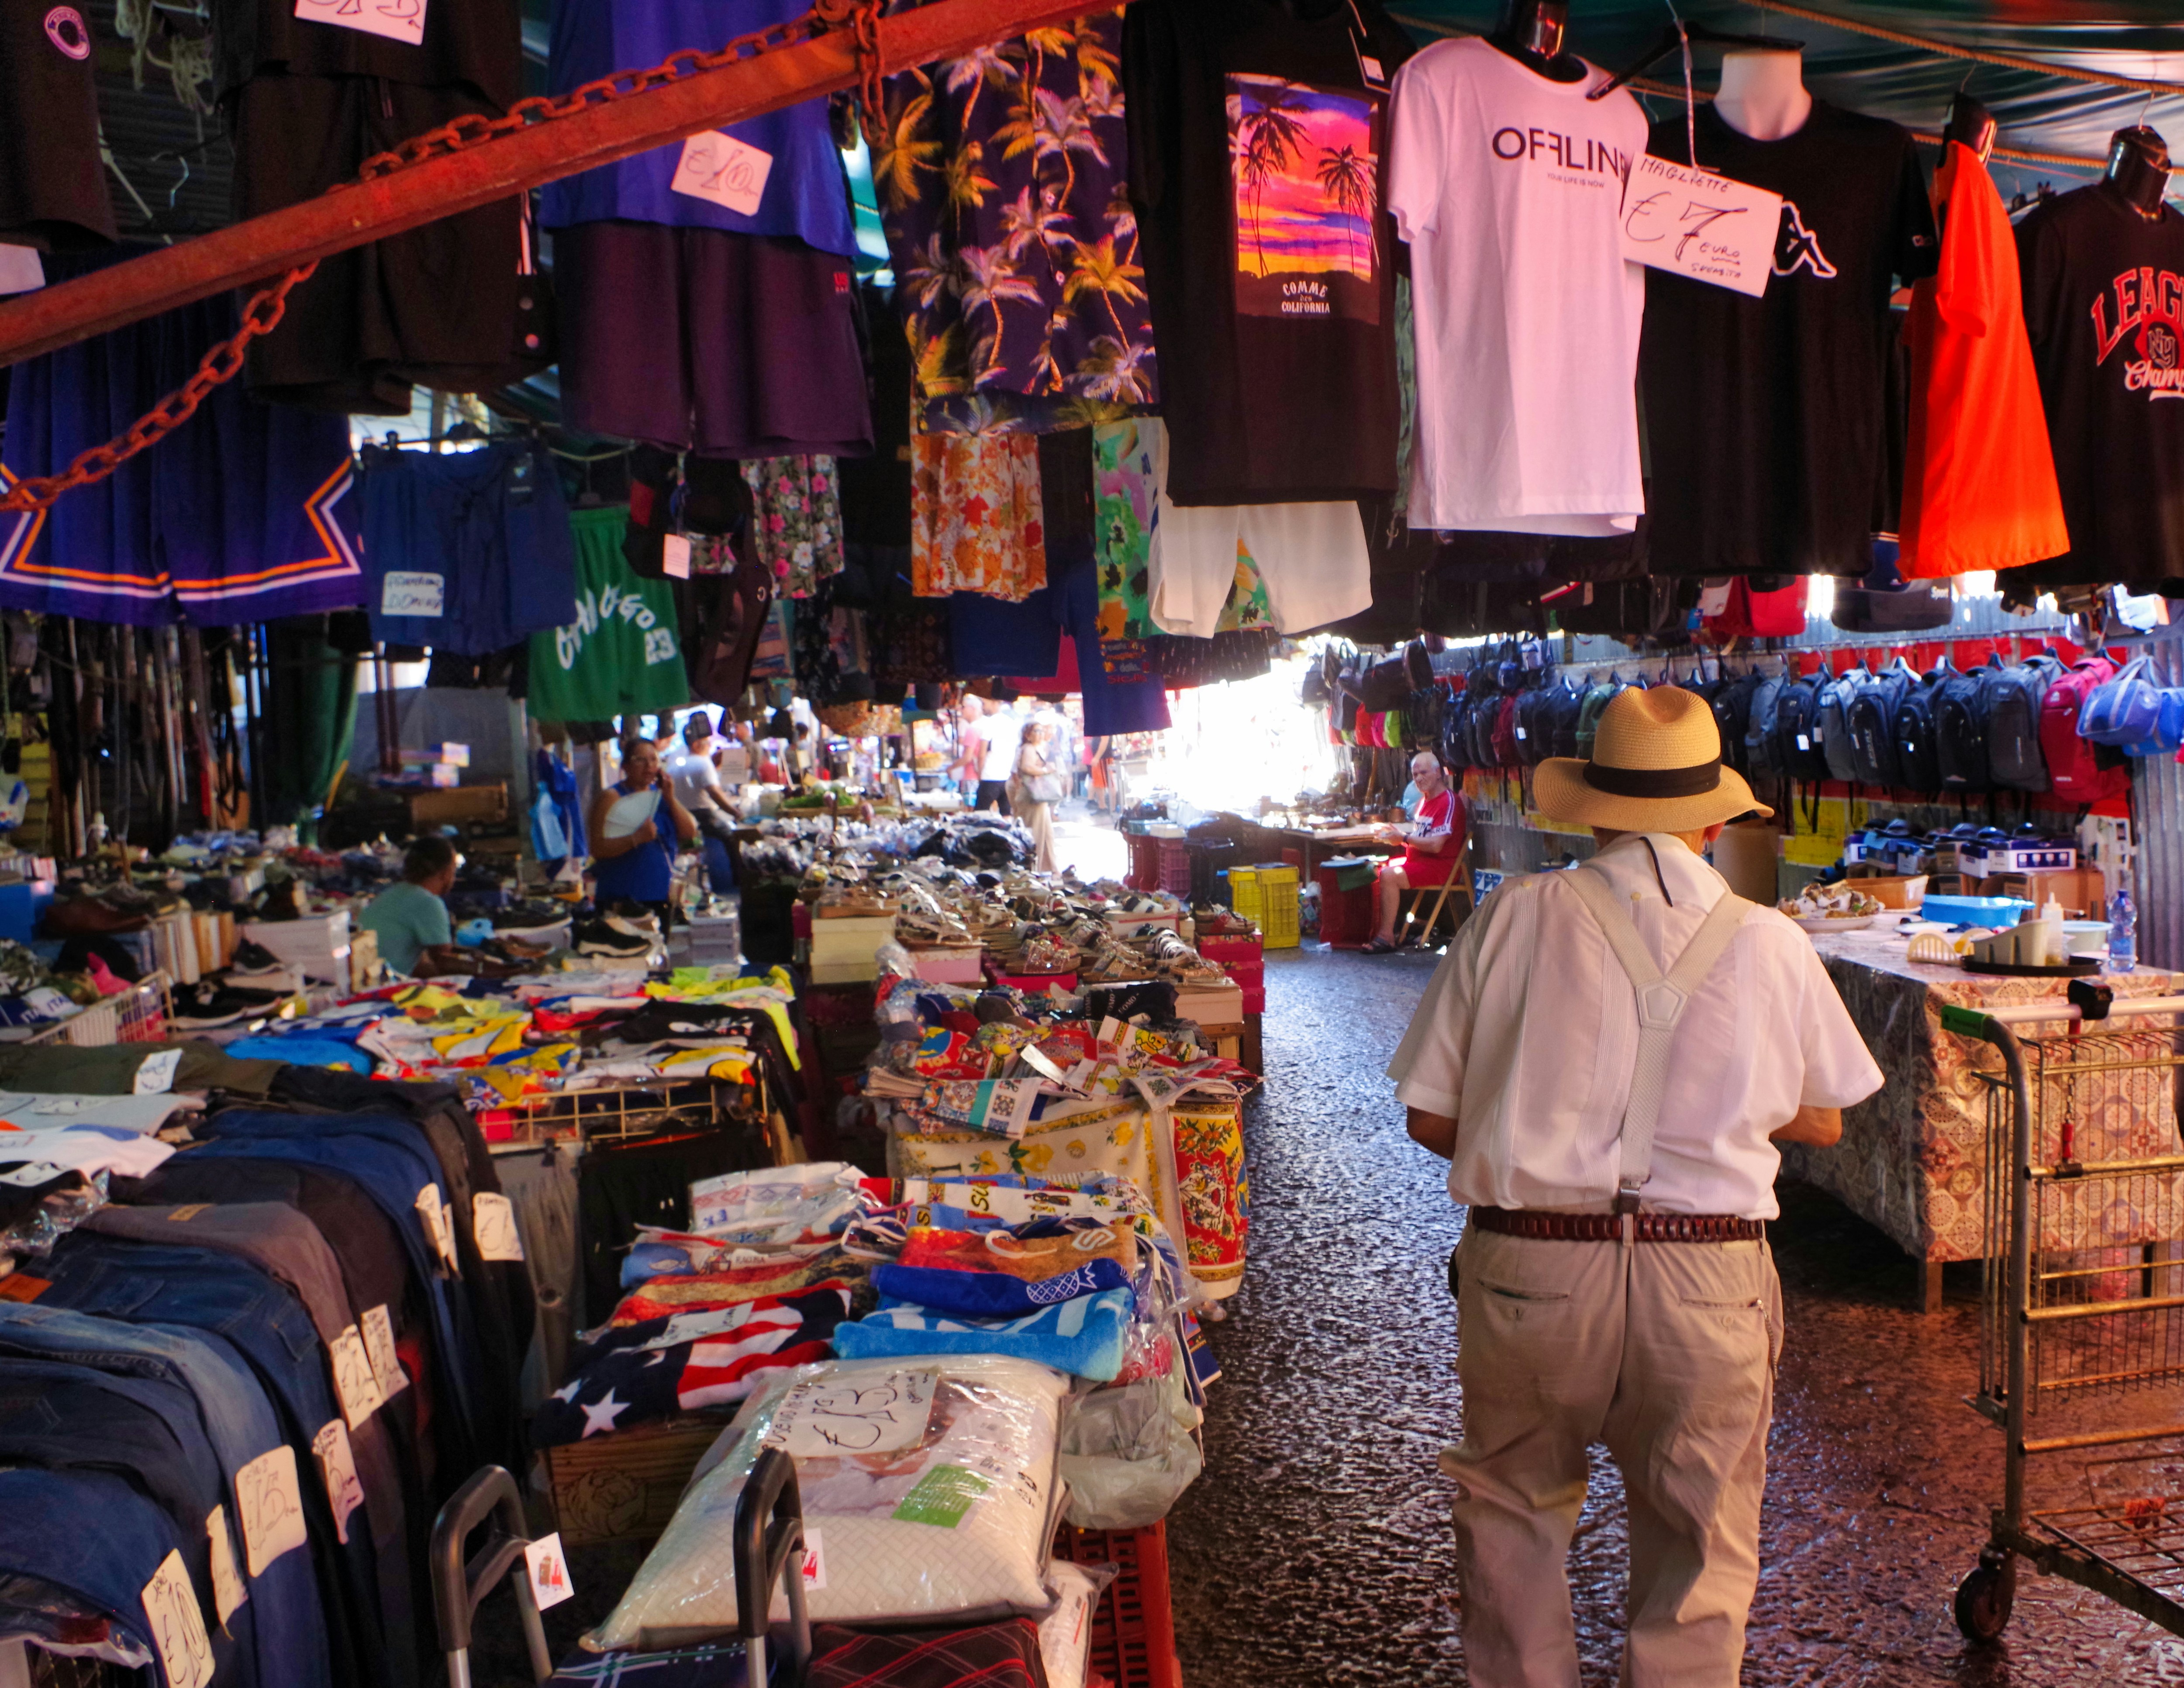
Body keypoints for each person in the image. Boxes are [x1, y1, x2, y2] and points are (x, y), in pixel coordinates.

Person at [1386, 687, 1882, 1688]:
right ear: (1708, 819)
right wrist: (1704, 1111)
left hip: (1532, 1267)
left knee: (1514, 1520)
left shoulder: (1513, 919)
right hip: (1708, 1279)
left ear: (1597, 809)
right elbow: (1824, 1116)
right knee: (1699, 1550)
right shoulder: (1770, 941)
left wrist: (1549, 1129)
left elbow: (1431, 1117)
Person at [1362, 751, 1466, 953]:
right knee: (1376, 867)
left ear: (1438, 773)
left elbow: (1436, 845)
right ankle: (1390, 927)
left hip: (1441, 866)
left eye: (1424, 773)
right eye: (1415, 774)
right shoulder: (1423, 803)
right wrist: (1395, 836)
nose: (1419, 778)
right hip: (1420, 863)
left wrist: (1404, 839)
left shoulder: (1448, 802)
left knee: (1389, 875)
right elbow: (1419, 838)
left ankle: (1386, 936)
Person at [589, 735, 698, 925]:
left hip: (660, 895)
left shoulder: (661, 797)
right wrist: (636, 839)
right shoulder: (612, 798)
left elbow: (690, 834)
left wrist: (671, 798)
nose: (649, 766)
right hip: (623, 899)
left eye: (654, 759)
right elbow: (597, 848)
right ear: (626, 767)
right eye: (640, 760)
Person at [359, 836, 471, 977]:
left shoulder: (394, 894)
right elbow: (445, 962)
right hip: (385, 982)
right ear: (446, 872)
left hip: (369, 976)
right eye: (454, 870)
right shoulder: (428, 903)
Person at [668, 713, 739, 895]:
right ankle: (738, 882)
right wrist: (736, 812)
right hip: (703, 817)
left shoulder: (675, 764)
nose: (710, 747)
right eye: (707, 743)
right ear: (696, 744)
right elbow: (714, 793)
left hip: (679, 816)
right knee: (732, 837)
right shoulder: (703, 763)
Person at [1011, 720, 1063, 872]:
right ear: (1028, 735)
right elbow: (1027, 768)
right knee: (1036, 833)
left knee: (1046, 833)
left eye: (1041, 731)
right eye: (1036, 731)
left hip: (1038, 796)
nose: (1040, 734)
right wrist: (1046, 770)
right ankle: (1035, 868)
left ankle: (1048, 867)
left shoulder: (1037, 748)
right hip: (1032, 797)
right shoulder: (1028, 748)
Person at [976, 699, 1021, 815]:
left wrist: (980, 774)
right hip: (1006, 776)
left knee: (980, 814)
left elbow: (982, 754)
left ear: (994, 702)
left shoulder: (989, 723)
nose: (983, 707)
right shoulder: (1011, 722)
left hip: (990, 776)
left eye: (985, 703)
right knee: (1007, 814)